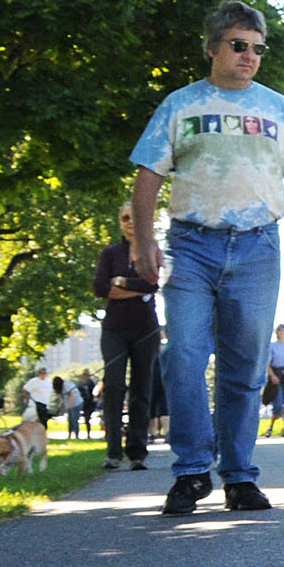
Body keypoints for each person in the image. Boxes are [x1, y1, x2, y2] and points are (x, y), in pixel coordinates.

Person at [129, 0, 284, 516]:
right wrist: (141, 241)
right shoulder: (180, 105)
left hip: (260, 246)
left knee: (246, 369)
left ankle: (239, 476)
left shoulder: (281, 110)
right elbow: (147, 177)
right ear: (213, 48)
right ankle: (192, 471)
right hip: (191, 244)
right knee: (184, 356)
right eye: (238, 46)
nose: (249, 56)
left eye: (258, 48)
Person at [94, 201, 161, 471]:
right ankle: (112, 452)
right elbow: (100, 287)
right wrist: (139, 287)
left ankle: (137, 452)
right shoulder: (110, 253)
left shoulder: (153, 251)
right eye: (124, 218)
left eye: (135, 217)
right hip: (114, 329)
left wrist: (120, 281)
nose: (130, 222)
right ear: (120, 222)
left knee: (141, 389)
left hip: (146, 330)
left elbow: (154, 284)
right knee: (113, 387)